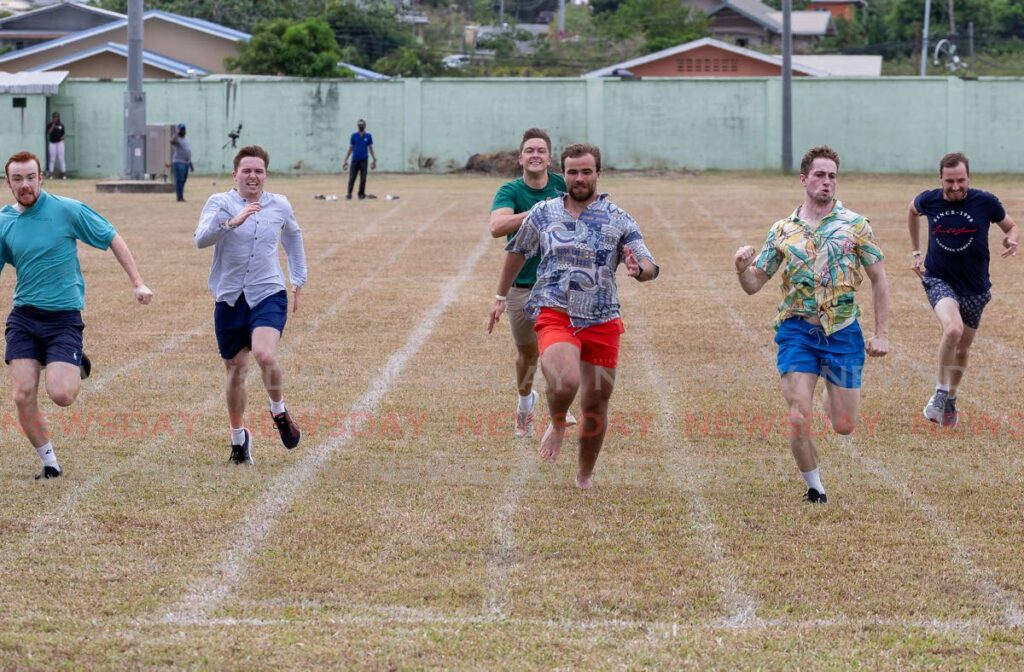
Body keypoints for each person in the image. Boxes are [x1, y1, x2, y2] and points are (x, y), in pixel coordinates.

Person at [487, 143, 659, 489]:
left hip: (602, 318)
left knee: (595, 406)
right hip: (556, 311)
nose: (579, 178)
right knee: (565, 381)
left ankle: (584, 476)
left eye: (586, 171)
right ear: (562, 174)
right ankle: (558, 420)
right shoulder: (544, 212)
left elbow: (650, 264)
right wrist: (500, 296)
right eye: (572, 172)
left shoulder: (618, 218)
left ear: (598, 173)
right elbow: (516, 252)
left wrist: (637, 269)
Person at [733, 145, 889, 504]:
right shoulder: (783, 230)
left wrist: (881, 334)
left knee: (843, 425)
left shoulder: (855, 226)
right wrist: (741, 270)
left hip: (843, 331)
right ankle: (815, 487)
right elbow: (755, 283)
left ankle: (826, 386)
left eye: (832, 175)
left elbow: (880, 280)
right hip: (797, 331)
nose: (826, 181)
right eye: (819, 175)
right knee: (798, 416)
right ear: (804, 179)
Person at [0, 151, 154, 479]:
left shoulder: (66, 210)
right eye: (17, 179)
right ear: (8, 182)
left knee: (62, 394)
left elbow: (111, 236)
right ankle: (50, 462)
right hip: (24, 317)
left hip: (63, 318)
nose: (25, 185)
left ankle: (73, 362)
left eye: (30, 177)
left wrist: (138, 283)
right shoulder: (4, 221)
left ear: (41, 178)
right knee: (23, 393)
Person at [195, 145, 307, 465]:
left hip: (267, 292)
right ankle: (238, 440)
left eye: (258, 171)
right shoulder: (220, 203)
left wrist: (298, 279)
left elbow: (294, 238)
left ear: (266, 175)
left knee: (265, 353)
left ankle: (279, 411)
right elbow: (200, 239)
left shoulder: (279, 205)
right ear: (235, 175)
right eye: (247, 170)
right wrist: (231, 222)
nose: (253, 176)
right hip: (230, 297)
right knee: (236, 372)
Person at [908, 152, 1018, 427]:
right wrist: (916, 251)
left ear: (968, 178)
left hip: (976, 288)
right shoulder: (929, 200)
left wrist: (1011, 240)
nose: (955, 187)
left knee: (962, 348)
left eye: (961, 181)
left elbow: (1012, 226)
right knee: (953, 329)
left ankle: (950, 400)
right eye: (949, 181)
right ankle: (940, 393)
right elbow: (912, 211)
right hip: (938, 279)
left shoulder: (985, 201)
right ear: (940, 179)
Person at [488, 128, 576, 437]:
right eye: (530, 151)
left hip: (560, 288)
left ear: (550, 157)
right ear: (520, 157)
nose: (535, 155)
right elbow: (496, 227)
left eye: (541, 150)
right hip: (522, 287)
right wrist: (538, 212)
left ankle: (560, 408)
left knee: (559, 348)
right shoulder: (510, 191)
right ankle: (526, 402)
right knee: (528, 355)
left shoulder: (564, 185)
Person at [342, 119, 376, 200]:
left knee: (363, 178)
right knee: (352, 177)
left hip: (364, 160)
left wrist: (374, 159)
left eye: (362, 124)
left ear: (365, 125)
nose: (360, 126)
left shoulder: (368, 136)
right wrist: (345, 159)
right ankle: (349, 194)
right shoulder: (354, 136)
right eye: (359, 125)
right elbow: (351, 148)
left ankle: (361, 194)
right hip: (355, 160)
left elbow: (370, 148)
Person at [170, 123, 193, 203]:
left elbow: (188, 151)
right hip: (179, 162)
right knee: (179, 180)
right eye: (182, 129)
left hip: (186, 162)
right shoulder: (177, 139)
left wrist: (190, 163)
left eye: (184, 129)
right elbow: (171, 141)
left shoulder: (185, 139)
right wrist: (177, 133)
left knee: (183, 180)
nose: (183, 131)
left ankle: (181, 196)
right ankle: (179, 197)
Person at [47, 112, 66, 180]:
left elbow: (63, 133)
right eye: (54, 117)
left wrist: (62, 137)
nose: (56, 119)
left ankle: (63, 174)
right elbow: (49, 132)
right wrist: (53, 125)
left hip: (60, 143)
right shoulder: (50, 125)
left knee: (61, 158)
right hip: (52, 143)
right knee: (52, 158)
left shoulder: (61, 125)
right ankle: (51, 174)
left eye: (57, 117)